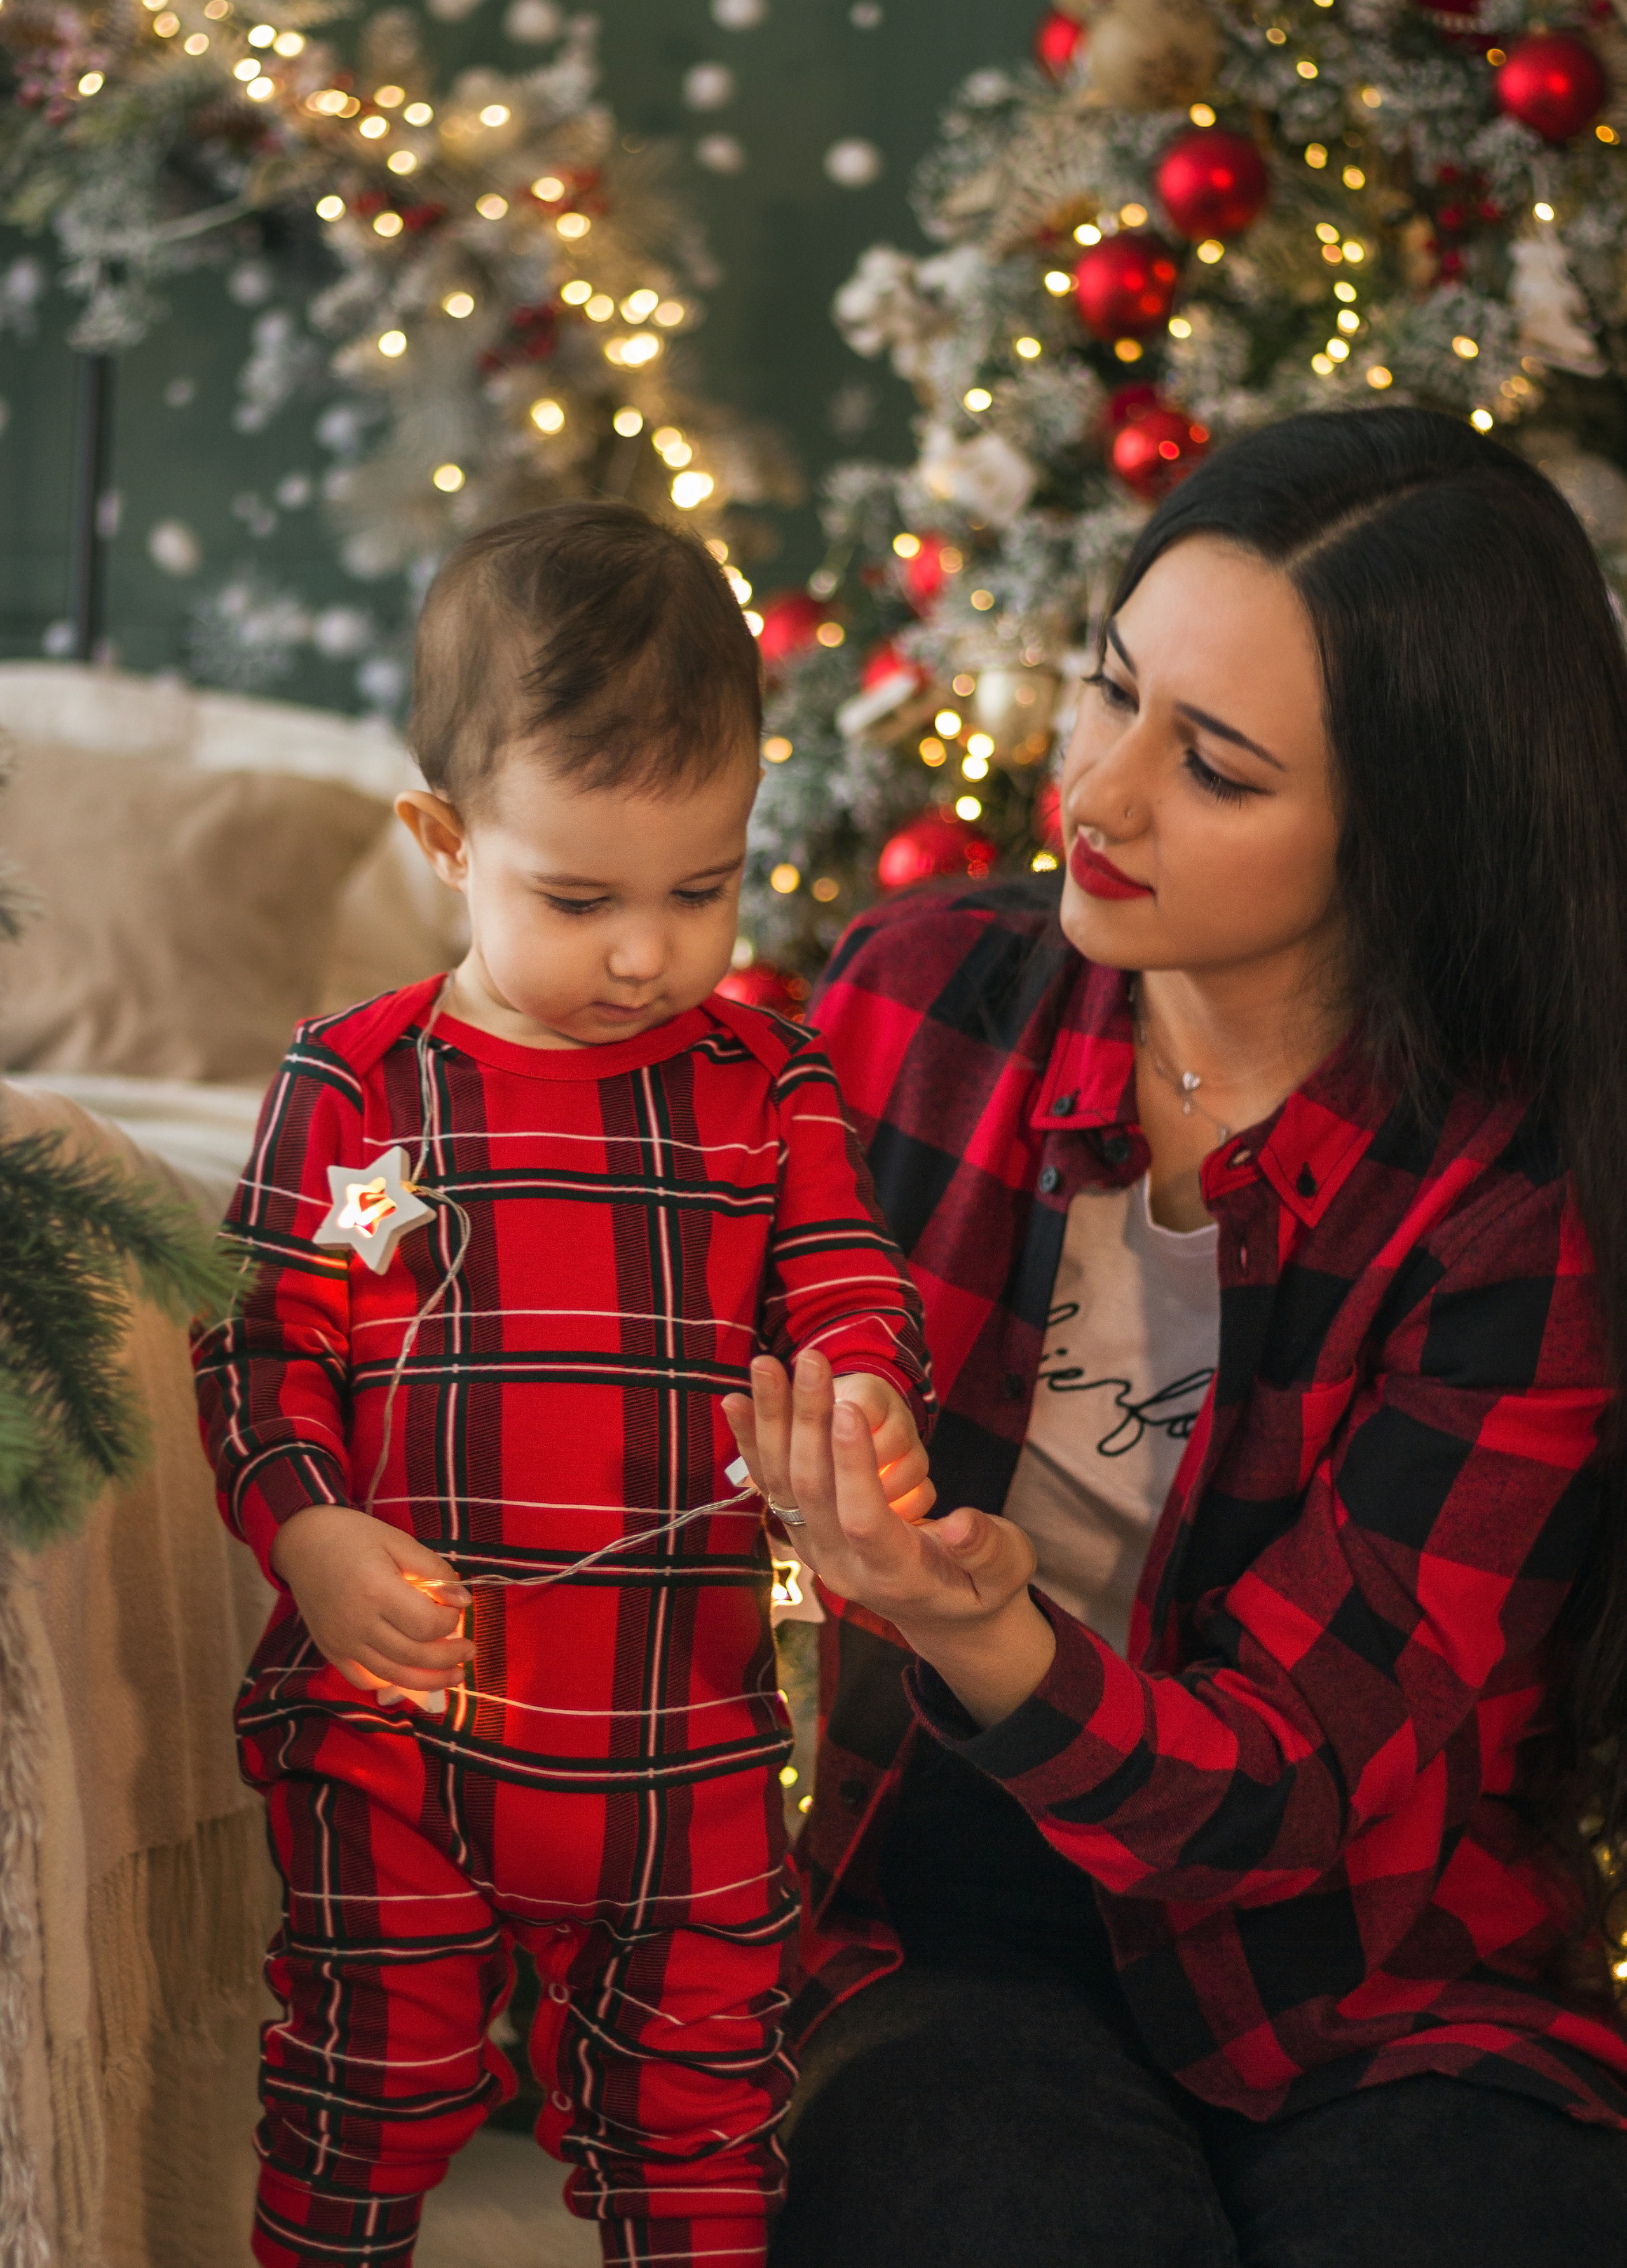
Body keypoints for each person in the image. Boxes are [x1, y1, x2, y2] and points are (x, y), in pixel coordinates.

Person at [723, 408, 1627, 2267]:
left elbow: (1301, 1790)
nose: (1100, 796)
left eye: (1212, 766)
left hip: (1370, 1966)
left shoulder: (1522, 1202)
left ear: (1411, 823)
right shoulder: (912, 1005)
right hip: (945, 1912)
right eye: (1107, 691)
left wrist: (983, 1623)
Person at [192, 502, 935, 2268]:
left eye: (705, 889)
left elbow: (845, 1281)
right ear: (447, 842)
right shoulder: (359, 1084)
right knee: (362, 2090)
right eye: (579, 895)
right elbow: (260, 1342)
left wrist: (862, 1397)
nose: (643, 953)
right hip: (395, 1736)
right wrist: (306, 1538)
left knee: (697, 2133)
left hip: (682, 1745)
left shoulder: (767, 1084)